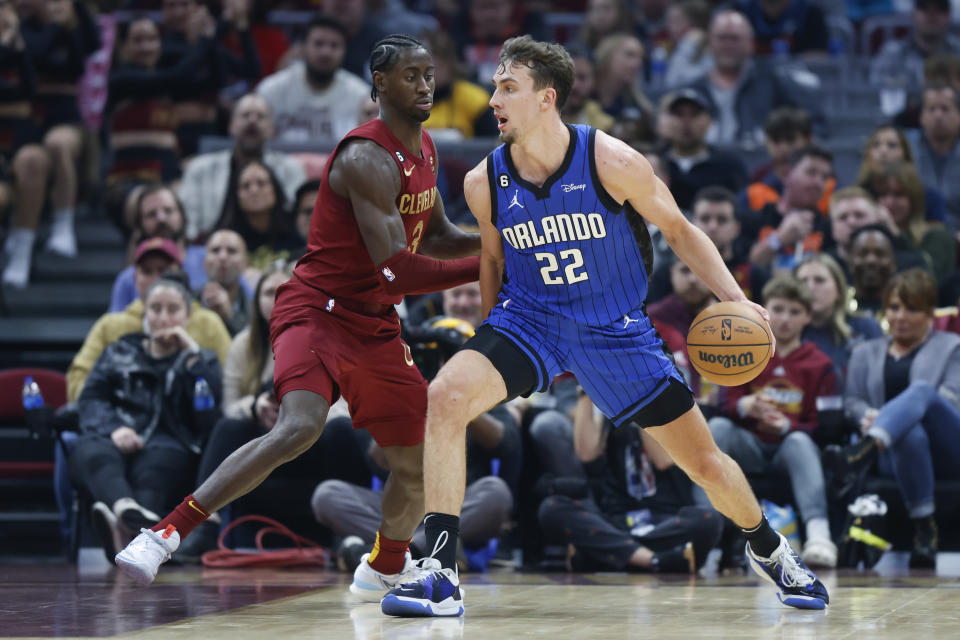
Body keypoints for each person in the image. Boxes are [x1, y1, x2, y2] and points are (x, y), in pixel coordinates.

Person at [383, 35, 828, 618]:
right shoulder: (483, 180)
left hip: (615, 331)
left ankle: (770, 549)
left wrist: (737, 299)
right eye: (495, 85)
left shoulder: (611, 160)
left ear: (547, 98)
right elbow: (493, 261)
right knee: (444, 396)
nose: (493, 98)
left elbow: (680, 230)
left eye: (507, 87)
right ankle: (440, 571)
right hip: (530, 320)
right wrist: (490, 336)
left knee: (706, 465)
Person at [114, 36, 482, 602]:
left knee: (416, 465)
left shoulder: (428, 149)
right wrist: (488, 267)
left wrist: (504, 245)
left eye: (430, 75)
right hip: (316, 309)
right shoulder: (364, 156)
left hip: (373, 322)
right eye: (411, 76)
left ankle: (384, 566)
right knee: (301, 425)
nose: (425, 85)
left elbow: (437, 236)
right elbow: (397, 272)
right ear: (380, 84)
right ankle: (165, 532)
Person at [69, 276, 223, 560]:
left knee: (155, 468)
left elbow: (208, 416)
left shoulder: (202, 360)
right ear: (145, 314)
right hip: (115, 434)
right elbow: (90, 398)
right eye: (156, 308)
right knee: (88, 450)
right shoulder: (120, 350)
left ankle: (124, 533)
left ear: (188, 316)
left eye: (173, 309)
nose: (164, 317)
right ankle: (125, 509)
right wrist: (115, 428)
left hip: (172, 443)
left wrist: (192, 359)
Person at [826, 268, 960, 568]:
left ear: (929, 313)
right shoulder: (865, 352)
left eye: (912, 309)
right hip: (897, 451)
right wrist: (868, 415)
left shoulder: (952, 346)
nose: (900, 316)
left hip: (949, 446)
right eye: (894, 307)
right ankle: (925, 531)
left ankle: (862, 452)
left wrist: (887, 418)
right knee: (909, 436)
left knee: (923, 392)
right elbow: (852, 401)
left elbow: (950, 399)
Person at [705, 276, 839, 568]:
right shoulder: (744, 350)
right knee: (717, 429)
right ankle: (705, 527)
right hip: (749, 444)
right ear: (764, 311)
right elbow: (724, 405)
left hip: (788, 450)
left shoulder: (821, 363)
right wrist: (746, 405)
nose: (785, 319)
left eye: (794, 311)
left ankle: (819, 534)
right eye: (778, 309)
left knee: (800, 441)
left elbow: (825, 428)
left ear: (807, 316)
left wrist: (787, 426)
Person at [68, 239, 231, 402]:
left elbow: (230, 381)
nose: (156, 278)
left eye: (163, 270)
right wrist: (111, 408)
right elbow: (78, 377)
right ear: (135, 277)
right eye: (147, 271)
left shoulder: (208, 322)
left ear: (180, 272)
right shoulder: (110, 325)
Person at [178, 93, 306, 244]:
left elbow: (299, 221)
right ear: (231, 125)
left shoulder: (291, 168)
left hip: (278, 247)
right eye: (245, 115)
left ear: (271, 129)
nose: (252, 121)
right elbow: (187, 224)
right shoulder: (199, 169)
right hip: (213, 249)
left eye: (260, 116)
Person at [255, 14, 370, 144]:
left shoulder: (360, 95)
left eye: (334, 45)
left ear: (345, 51)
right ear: (303, 48)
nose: (326, 52)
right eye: (318, 44)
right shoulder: (271, 90)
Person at [794, 253, 883, 376]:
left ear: (839, 289)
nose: (810, 287)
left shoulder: (866, 327)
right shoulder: (783, 333)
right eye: (802, 281)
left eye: (820, 280)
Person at [857, 125, 946, 225]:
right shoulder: (855, 198)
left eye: (892, 145)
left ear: (905, 153)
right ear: (868, 154)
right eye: (876, 145)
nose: (883, 151)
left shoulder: (929, 198)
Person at [198, 230, 251, 336]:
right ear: (204, 262)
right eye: (215, 250)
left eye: (231, 251)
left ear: (245, 263)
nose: (222, 257)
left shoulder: (256, 309)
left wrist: (231, 317)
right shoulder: (188, 302)